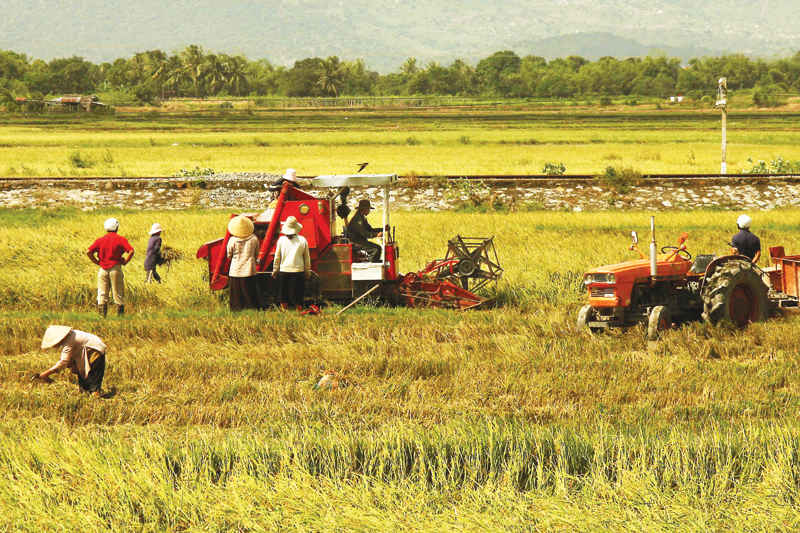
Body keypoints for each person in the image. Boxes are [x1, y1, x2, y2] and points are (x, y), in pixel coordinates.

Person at [32, 325, 107, 396]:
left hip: (96, 351)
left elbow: (63, 362)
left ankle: (95, 394)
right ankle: (86, 392)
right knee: (84, 383)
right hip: (89, 350)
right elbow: (69, 360)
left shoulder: (69, 340)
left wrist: (45, 374)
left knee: (93, 379)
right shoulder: (71, 335)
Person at [87, 218, 134, 317]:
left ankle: (102, 317)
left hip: (102, 269)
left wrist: (96, 262)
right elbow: (131, 251)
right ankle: (119, 317)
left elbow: (88, 252)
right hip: (115, 268)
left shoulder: (100, 240)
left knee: (102, 293)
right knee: (118, 293)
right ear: (117, 227)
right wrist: (125, 261)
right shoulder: (120, 239)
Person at [272, 216, 311, 311]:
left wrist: (275, 270)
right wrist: (308, 271)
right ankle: (299, 308)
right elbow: (306, 258)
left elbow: (277, 257)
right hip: (298, 270)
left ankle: (284, 309)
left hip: (284, 270)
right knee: (298, 292)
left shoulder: (281, 240)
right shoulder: (302, 240)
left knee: (283, 292)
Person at [226, 214, 260, 311]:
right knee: (250, 290)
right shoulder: (254, 239)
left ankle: (237, 308)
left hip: (235, 269)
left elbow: (229, 254)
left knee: (236, 291)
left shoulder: (232, 240)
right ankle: (251, 307)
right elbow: (256, 254)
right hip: (249, 269)